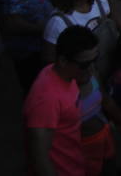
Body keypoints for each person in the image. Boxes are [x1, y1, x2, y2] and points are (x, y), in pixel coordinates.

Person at [25, 25, 99, 176]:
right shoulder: (46, 99)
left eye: (94, 60)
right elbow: (39, 157)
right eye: (85, 64)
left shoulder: (67, 75)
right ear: (63, 61)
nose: (91, 69)